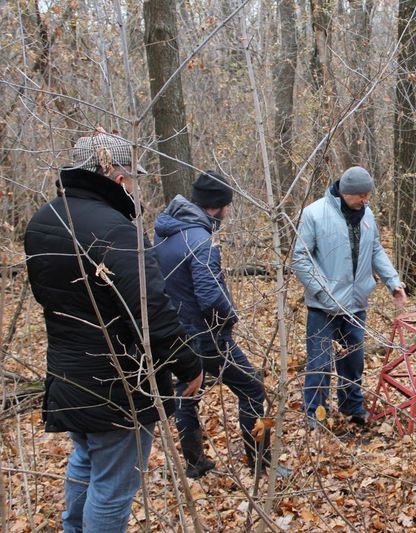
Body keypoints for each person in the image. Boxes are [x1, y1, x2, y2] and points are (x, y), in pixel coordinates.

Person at [24, 129, 202, 532]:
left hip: (70, 377)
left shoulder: (43, 219)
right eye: (134, 177)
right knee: (113, 487)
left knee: (85, 461)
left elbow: (47, 297)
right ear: (119, 179)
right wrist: (188, 365)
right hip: (118, 385)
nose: (136, 186)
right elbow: (152, 312)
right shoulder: (115, 229)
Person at [154, 171, 290, 478]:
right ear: (216, 206)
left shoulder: (164, 233)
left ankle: (194, 464)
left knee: (188, 392)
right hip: (205, 336)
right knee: (253, 389)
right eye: (227, 205)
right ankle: (261, 465)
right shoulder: (202, 241)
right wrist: (229, 321)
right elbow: (210, 297)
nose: (228, 212)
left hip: (176, 336)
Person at [292, 166, 407, 427]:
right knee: (320, 364)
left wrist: (393, 282)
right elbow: (300, 259)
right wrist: (322, 293)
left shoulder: (368, 215)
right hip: (324, 307)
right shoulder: (315, 214)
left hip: (356, 305)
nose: (366, 200)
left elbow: (375, 249)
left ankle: (351, 406)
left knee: (353, 361)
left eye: (368, 195)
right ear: (345, 193)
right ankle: (315, 415)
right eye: (361, 195)